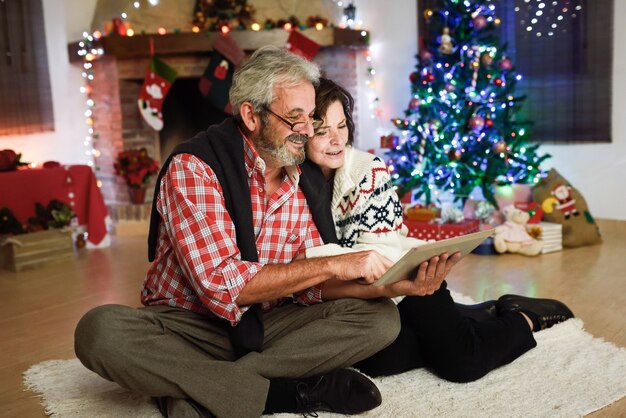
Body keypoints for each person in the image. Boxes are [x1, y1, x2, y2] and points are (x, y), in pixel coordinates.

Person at [73, 47, 460, 418]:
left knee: (379, 320)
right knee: (99, 332)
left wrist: (391, 288)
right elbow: (224, 285)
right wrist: (337, 264)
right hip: (186, 325)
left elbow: (309, 284)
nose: (308, 131)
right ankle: (279, 392)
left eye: (312, 118)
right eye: (296, 118)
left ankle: (204, 386)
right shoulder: (194, 169)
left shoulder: (300, 177)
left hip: (267, 320)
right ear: (252, 115)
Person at [304, 78, 575, 380]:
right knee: (377, 362)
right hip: (357, 305)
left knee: (463, 363)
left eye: (341, 126)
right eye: (322, 131)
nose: (337, 139)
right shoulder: (293, 180)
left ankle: (523, 317)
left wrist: (321, 262)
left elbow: (376, 261)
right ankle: (469, 316)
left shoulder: (367, 170)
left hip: (407, 283)